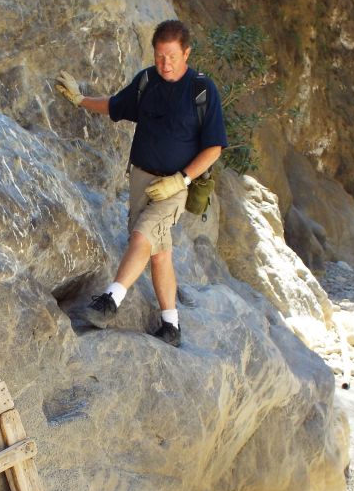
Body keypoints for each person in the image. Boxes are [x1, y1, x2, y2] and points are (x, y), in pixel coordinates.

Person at [54, 19, 227, 347]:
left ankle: (110, 302)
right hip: (141, 178)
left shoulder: (202, 91)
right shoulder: (147, 81)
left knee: (142, 234)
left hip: (175, 185)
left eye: (173, 56)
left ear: (187, 53)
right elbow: (115, 105)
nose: (166, 63)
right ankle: (171, 325)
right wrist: (79, 99)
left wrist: (181, 180)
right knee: (159, 252)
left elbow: (214, 147)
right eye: (160, 55)